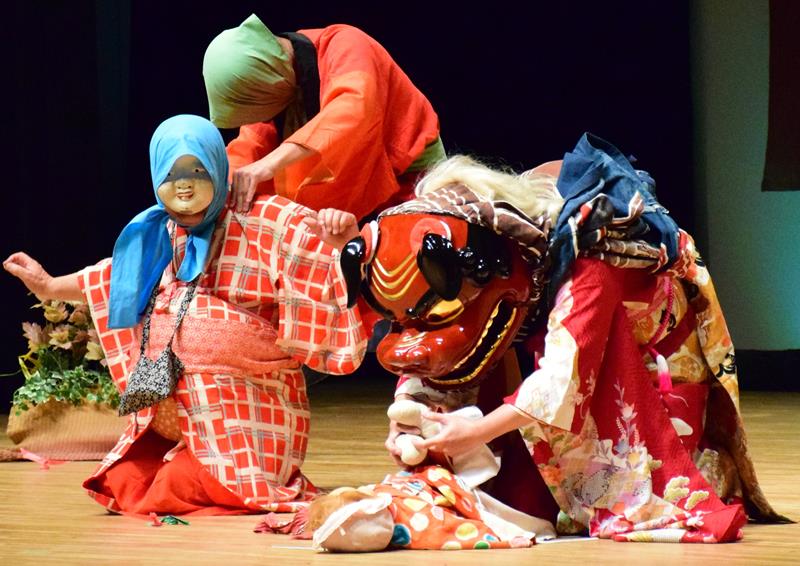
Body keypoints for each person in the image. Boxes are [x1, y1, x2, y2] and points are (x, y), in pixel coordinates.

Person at [367, 136, 786, 543]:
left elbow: (564, 379)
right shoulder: (511, 243)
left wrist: (473, 434)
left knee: (615, 491)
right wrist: (408, 416)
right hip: (575, 365)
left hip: (651, 376)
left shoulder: (589, 250)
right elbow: (426, 332)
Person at [4, 114, 366, 515]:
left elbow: (323, 261)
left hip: (248, 412)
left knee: (180, 483)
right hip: (182, 411)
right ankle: (183, 452)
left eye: (197, 170)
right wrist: (49, 286)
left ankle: (215, 466)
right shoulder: (159, 230)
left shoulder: (266, 220)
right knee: (121, 481)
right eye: (173, 173)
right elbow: (113, 276)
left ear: (216, 165)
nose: (186, 185)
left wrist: (344, 243)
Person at [202, 14, 445, 219]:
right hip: (345, 207)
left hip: (413, 182)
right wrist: (210, 189)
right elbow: (250, 147)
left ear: (267, 81)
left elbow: (353, 109)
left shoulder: (347, 44)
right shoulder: (274, 88)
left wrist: (268, 164)